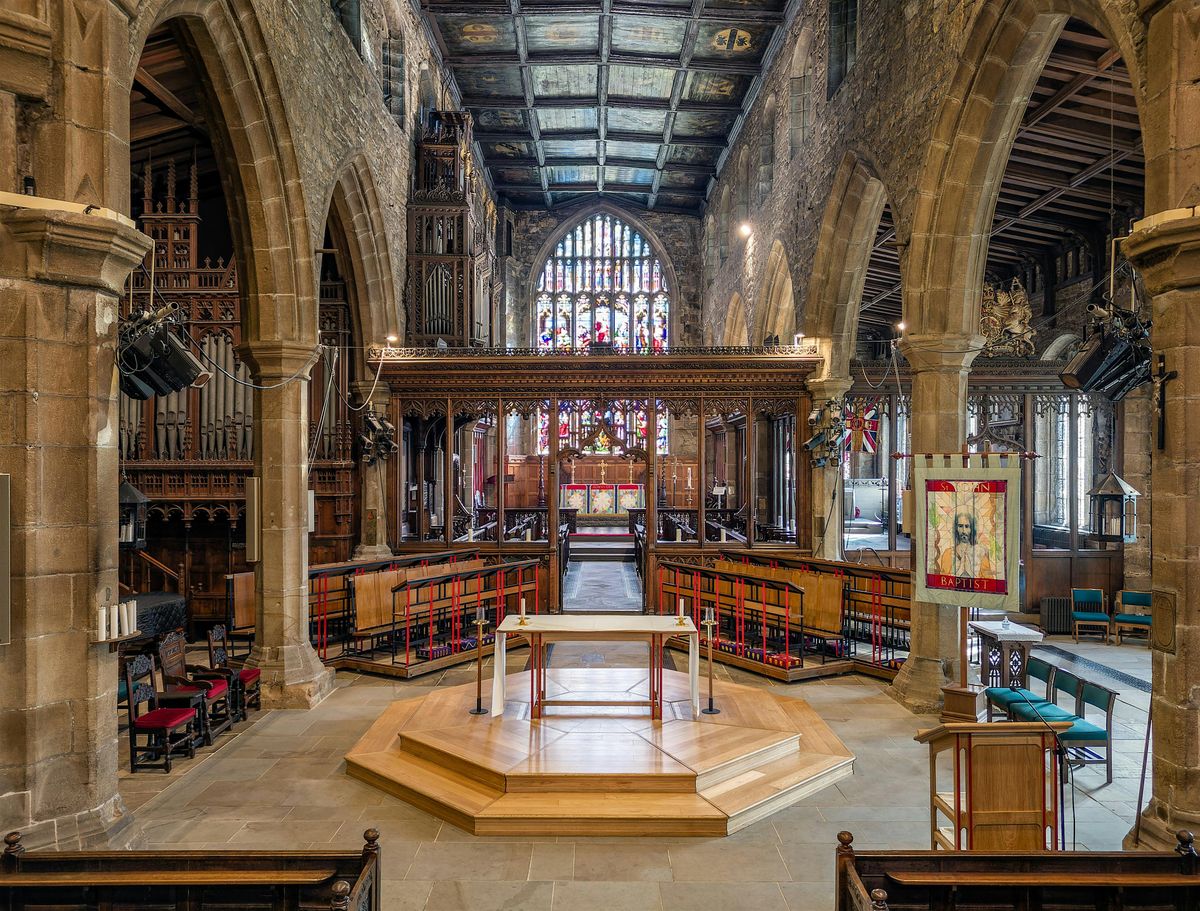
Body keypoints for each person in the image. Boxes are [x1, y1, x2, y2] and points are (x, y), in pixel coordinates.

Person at [937, 511, 994, 578]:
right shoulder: (948, 554)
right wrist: (959, 571)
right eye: (960, 526)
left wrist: (970, 571)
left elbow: (989, 582)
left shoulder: (981, 553)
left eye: (967, 526)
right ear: (956, 528)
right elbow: (942, 580)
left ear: (972, 529)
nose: (964, 531)